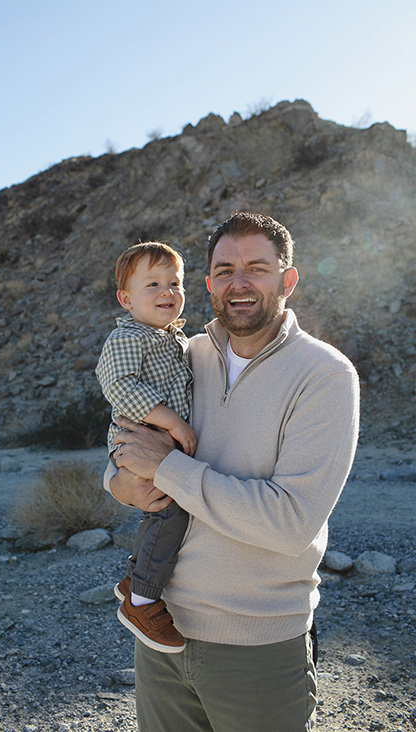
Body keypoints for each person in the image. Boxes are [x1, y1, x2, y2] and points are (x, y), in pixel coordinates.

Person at [107, 211, 359, 731]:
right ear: (207, 283)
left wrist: (168, 469)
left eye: (256, 268)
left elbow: (290, 523)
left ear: (287, 279)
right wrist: (120, 484)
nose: (238, 283)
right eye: (224, 270)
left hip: (258, 649)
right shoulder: (184, 354)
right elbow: (125, 438)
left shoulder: (325, 376)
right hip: (163, 635)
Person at [95, 242, 195, 654]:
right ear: (126, 298)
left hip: (161, 446)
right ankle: (142, 600)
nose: (166, 291)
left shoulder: (176, 339)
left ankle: (136, 579)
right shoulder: (128, 337)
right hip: (136, 442)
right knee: (168, 511)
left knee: (164, 512)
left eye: (174, 282)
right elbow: (117, 385)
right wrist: (173, 422)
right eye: (152, 283)